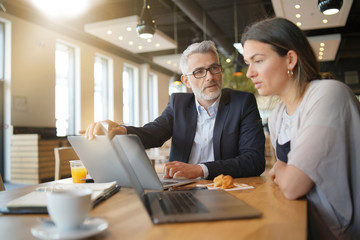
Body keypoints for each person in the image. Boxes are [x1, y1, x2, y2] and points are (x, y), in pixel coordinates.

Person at [241, 17, 360, 239]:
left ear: (290, 59)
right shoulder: (277, 116)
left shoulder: (328, 94)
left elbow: (293, 185)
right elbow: (284, 174)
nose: (249, 73)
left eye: (258, 61)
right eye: (248, 62)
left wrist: (282, 170)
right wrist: (283, 170)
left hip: (342, 232)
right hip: (305, 220)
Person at [83, 40, 265, 180]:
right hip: (181, 186)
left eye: (214, 68)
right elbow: (154, 133)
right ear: (186, 81)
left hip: (225, 187)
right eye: (199, 72)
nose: (209, 77)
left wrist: (199, 169)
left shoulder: (242, 103)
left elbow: (254, 161)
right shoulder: (179, 104)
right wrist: (121, 130)